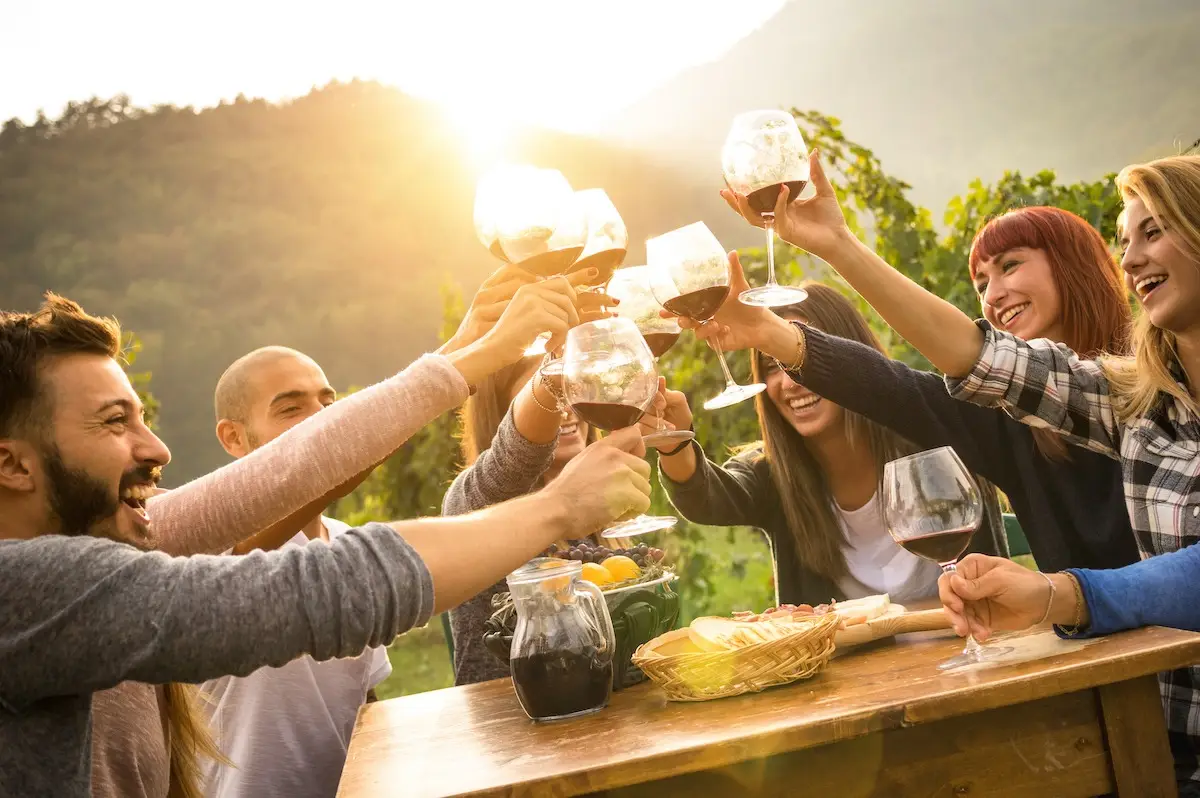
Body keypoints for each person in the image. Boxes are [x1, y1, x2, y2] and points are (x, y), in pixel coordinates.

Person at [0, 292, 652, 797]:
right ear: (14, 466)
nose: (157, 450)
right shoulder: (24, 592)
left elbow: (287, 472)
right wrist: (556, 509)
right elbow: (334, 587)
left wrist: (466, 355)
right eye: (115, 422)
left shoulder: (106, 539)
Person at [722, 150, 1200, 789]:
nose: (1132, 257)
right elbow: (965, 361)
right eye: (1124, 240)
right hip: (1145, 730)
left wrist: (1061, 594)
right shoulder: (1134, 402)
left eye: (1154, 231)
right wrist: (823, 264)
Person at [683, 210, 1136, 574]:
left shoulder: (1154, 389)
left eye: (1010, 265)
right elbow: (895, 389)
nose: (992, 296)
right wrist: (769, 333)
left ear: (1074, 265)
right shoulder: (1006, 420)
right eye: (980, 285)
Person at [654, 283, 1006, 609]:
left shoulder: (932, 442)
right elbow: (706, 498)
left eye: (796, 358)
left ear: (846, 357)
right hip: (855, 676)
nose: (790, 383)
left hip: (971, 648)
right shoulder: (773, 474)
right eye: (771, 366)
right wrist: (674, 440)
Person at [193, 346, 392, 798]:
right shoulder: (210, 557)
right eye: (291, 408)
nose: (323, 417)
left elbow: (363, 699)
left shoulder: (349, 545)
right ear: (234, 438)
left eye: (328, 401)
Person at [441, 354, 603, 684]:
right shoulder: (475, 498)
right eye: (548, 393)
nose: (569, 406)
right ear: (507, 416)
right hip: (507, 720)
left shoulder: (593, 504)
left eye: (572, 387)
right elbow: (512, 458)